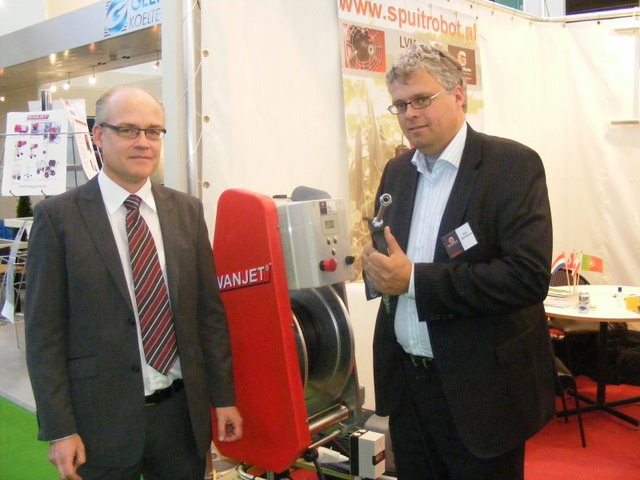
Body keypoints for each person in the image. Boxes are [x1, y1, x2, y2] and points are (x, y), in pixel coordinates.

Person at [25, 86, 243, 480]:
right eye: (127, 130)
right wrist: (60, 428)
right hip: (99, 424)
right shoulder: (58, 219)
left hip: (180, 419)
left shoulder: (186, 211)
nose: (143, 142)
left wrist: (223, 398)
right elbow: (45, 336)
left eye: (153, 131)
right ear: (98, 135)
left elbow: (208, 315)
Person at [361, 43, 555, 480]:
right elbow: (390, 255)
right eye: (400, 105)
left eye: (421, 99)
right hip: (409, 389)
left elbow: (526, 277)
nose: (410, 114)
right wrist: (375, 268)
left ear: (458, 95)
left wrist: (414, 280)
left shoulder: (511, 165)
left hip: (481, 394)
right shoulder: (397, 172)